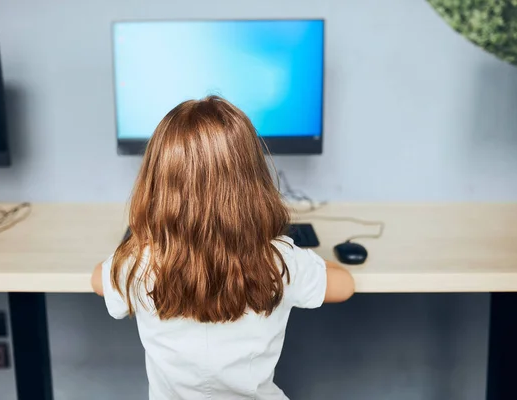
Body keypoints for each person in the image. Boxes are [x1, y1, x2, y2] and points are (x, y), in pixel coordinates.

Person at [91, 96, 354, 399]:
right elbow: (344, 285)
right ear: (252, 180)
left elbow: (99, 280)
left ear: (157, 183)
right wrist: (307, 258)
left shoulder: (141, 263)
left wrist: (144, 243)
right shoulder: (278, 261)